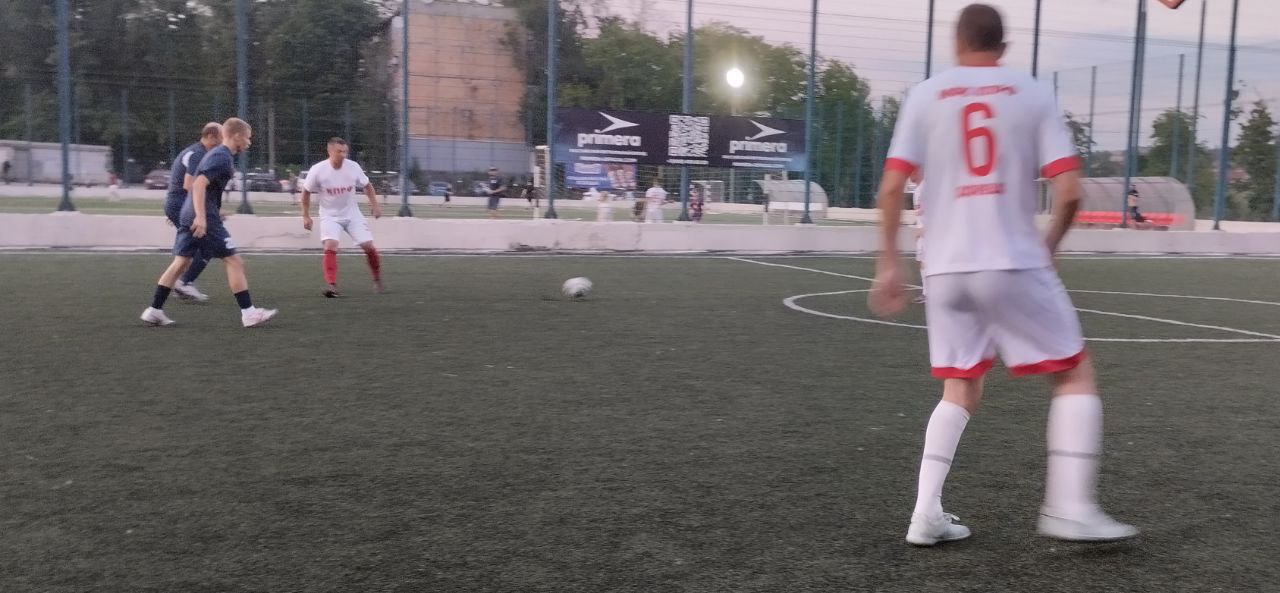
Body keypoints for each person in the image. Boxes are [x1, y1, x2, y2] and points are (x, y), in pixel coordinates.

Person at [869, 4, 1136, 547]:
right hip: (1009, 259)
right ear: (1004, 47)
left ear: (957, 44)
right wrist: (1049, 246)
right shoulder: (1031, 94)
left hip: (943, 271)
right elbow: (1070, 192)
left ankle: (925, 514)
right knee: (1074, 373)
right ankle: (1070, 508)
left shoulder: (925, 96)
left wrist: (888, 264)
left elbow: (892, 188)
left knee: (960, 385)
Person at [140, 117, 277, 328]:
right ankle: (249, 313)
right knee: (234, 261)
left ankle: (154, 310)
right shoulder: (222, 156)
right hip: (203, 217)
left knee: (180, 263)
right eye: (248, 138)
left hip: (190, 213)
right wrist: (201, 217)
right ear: (237, 136)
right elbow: (198, 185)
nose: (249, 143)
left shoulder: (217, 154)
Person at [300, 137, 384, 298]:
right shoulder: (318, 170)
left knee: (368, 246)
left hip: (352, 214)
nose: (343, 155)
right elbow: (306, 192)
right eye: (339, 151)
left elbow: (367, 185)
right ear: (330, 151)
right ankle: (331, 286)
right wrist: (306, 216)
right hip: (329, 216)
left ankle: (377, 279)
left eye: (345, 152)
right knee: (330, 245)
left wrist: (375, 205)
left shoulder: (353, 167)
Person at [163, 122, 223, 302]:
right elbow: (189, 185)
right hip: (183, 205)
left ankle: (176, 286)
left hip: (180, 205)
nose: (223, 143)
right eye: (221, 139)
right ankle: (184, 283)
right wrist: (201, 212)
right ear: (211, 137)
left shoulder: (196, 152)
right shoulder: (198, 154)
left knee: (189, 250)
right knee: (208, 245)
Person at [911, 176, 926, 304]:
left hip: (927, 232)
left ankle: (927, 293)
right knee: (922, 261)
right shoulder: (918, 189)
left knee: (925, 261)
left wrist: (924, 228)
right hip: (922, 231)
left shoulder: (924, 188)